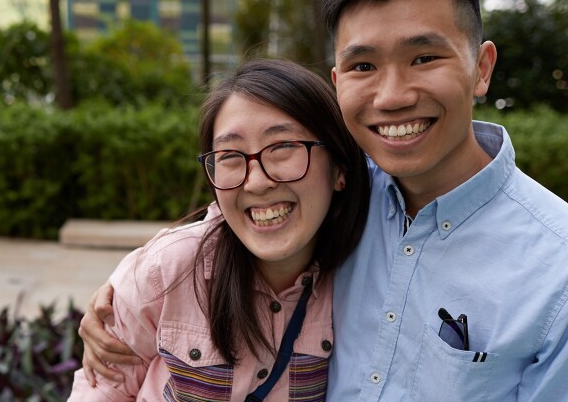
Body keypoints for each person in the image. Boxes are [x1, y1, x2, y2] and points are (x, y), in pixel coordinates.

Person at [80, 0, 568, 401]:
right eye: (364, 65)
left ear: (481, 68)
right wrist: (133, 289)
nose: (392, 96)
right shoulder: (336, 190)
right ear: (340, 83)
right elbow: (254, 198)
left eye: (424, 57)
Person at [67, 58, 370, 401]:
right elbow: (105, 385)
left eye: (283, 147)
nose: (257, 182)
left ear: (340, 169)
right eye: (229, 155)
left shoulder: (363, 273)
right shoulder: (168, 268)